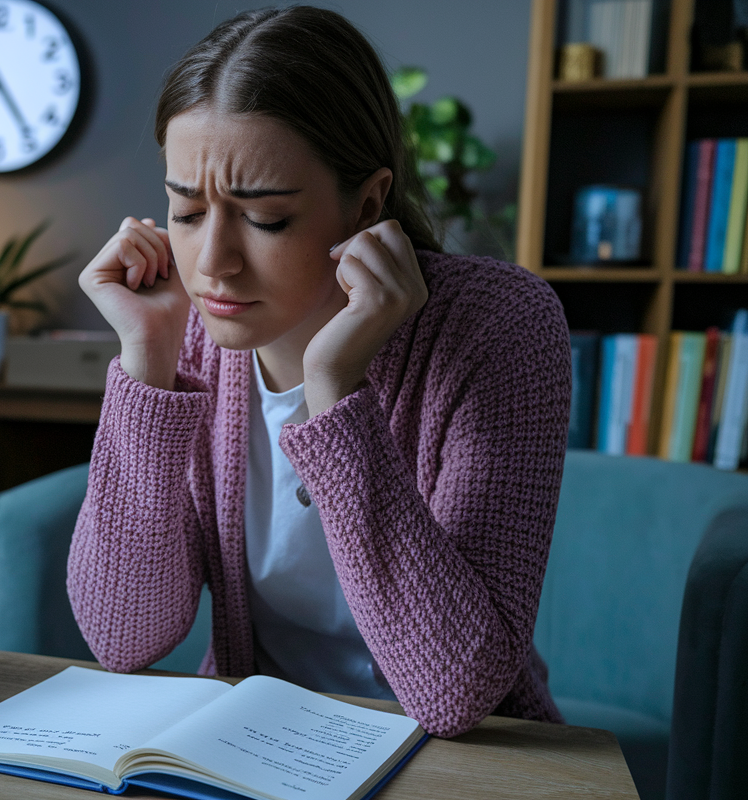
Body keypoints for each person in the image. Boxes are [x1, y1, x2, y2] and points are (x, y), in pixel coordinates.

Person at [66, 6, 571, 739]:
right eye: (185, 211)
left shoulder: (497, 326)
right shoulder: (195, 336)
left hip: (463, 763)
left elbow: (456, 694)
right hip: (252, 750)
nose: (212, 264)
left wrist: (334, 391)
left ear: (366, 203)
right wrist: (147, 363)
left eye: (264, 219)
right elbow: (123, 636)